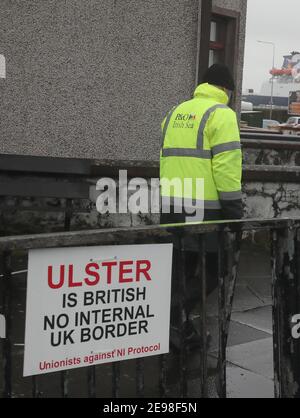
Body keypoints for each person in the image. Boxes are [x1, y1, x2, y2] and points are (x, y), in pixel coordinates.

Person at [160, 64, 243, 351]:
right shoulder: (222, 115)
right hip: (206, 211)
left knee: (182, 270)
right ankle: (173, 316)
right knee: (215, 269)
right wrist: (235, 214)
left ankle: (180, 330)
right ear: (225, 90)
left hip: (172, 207)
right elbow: (227, 168)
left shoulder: (174, 112)